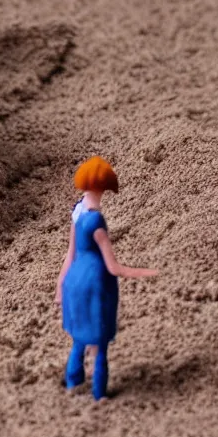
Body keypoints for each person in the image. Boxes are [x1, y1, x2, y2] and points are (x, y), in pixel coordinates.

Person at [55, 156, 157, 401]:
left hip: (75, 278)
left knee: (79, 338)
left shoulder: (77, 212)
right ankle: (99, 394)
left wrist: (60, 286)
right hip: (94, 281)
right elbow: (113, 267)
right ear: (104, 186)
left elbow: (70, 254)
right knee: (99, 344)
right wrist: (146, 272)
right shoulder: (96, 221)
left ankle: (73, 382)